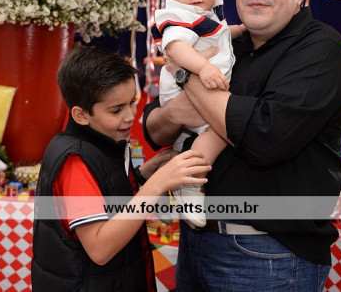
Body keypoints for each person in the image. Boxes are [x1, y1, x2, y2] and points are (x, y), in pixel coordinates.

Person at [143, 0, 341, 290]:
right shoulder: (226, 41)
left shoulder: (320, 50)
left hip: (267, 255)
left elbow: (263, 138)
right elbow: (154, 128)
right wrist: (178, 108)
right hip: (195, 242)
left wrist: (184, 71)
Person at [31, 46, 211, 291]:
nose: (130, 116)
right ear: (81, 115)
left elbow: (106, 194)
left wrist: (145, 174)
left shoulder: (99, 142)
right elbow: (100, 249)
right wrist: (157, 184)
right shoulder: (76, 161)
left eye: (132, 103)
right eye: (116, 110)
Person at [151, 0, 245, 227]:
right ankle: (190, 184)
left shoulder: (205, 14)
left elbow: (216, 35)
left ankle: (173, 177)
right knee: (219, 131)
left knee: (192, 141)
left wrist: (240, 30)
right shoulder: (179, 16)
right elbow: (176, 48)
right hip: (185, 90)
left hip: (198, 90)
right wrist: (202, 68)